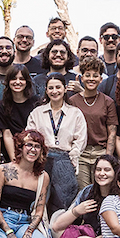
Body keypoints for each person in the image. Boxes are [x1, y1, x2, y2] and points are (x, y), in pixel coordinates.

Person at [0, 130, 54, 238]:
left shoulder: (42, 177)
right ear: (20, 147)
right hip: (3, 221)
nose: (33, 149)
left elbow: (39, 210)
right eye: (29, 145)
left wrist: (29, 233)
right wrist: (8, 232)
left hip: (24, 221)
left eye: (37, 146)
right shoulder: (4, 170)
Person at [27, 74, 87, 217]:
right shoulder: (37, 113)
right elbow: (30, 135)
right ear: (46, 91)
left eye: (58, 87)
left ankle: (59, 233)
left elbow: (81, 138)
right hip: (41, 158)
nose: (55, 91)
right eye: (51, 88)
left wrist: (73, 156)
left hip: (64, 158)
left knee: (63, 200)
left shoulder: (75, 113)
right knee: (39, 198)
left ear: (65, 89)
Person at [49, 153, 118, 238]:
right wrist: (76, 211)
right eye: (98, 170)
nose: (102, 173)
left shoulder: (119, 196)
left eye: (107, 170)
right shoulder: (87, 192)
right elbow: (57, 226)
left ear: (115, 173)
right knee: (71, 234)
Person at [69, 58, 117, 187]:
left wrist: (108, 158)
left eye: (95, 76)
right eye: (87, 75)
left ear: (101, 79)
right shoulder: (72, 101)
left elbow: (112, 132)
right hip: (81, 153)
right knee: (83, 191)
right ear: (81, 78)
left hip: (100, 152)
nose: (91, 79)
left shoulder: (108, 102)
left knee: (102, 189)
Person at [0, 66, 41, 163]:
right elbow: (7, 134)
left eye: (21, 79)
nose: (17, 82)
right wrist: (15, 160)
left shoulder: (36, 102)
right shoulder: (2, 105)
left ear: (27, 82)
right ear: (8, 81)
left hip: (33, 151)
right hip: (12, 151)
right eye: (14, 78)